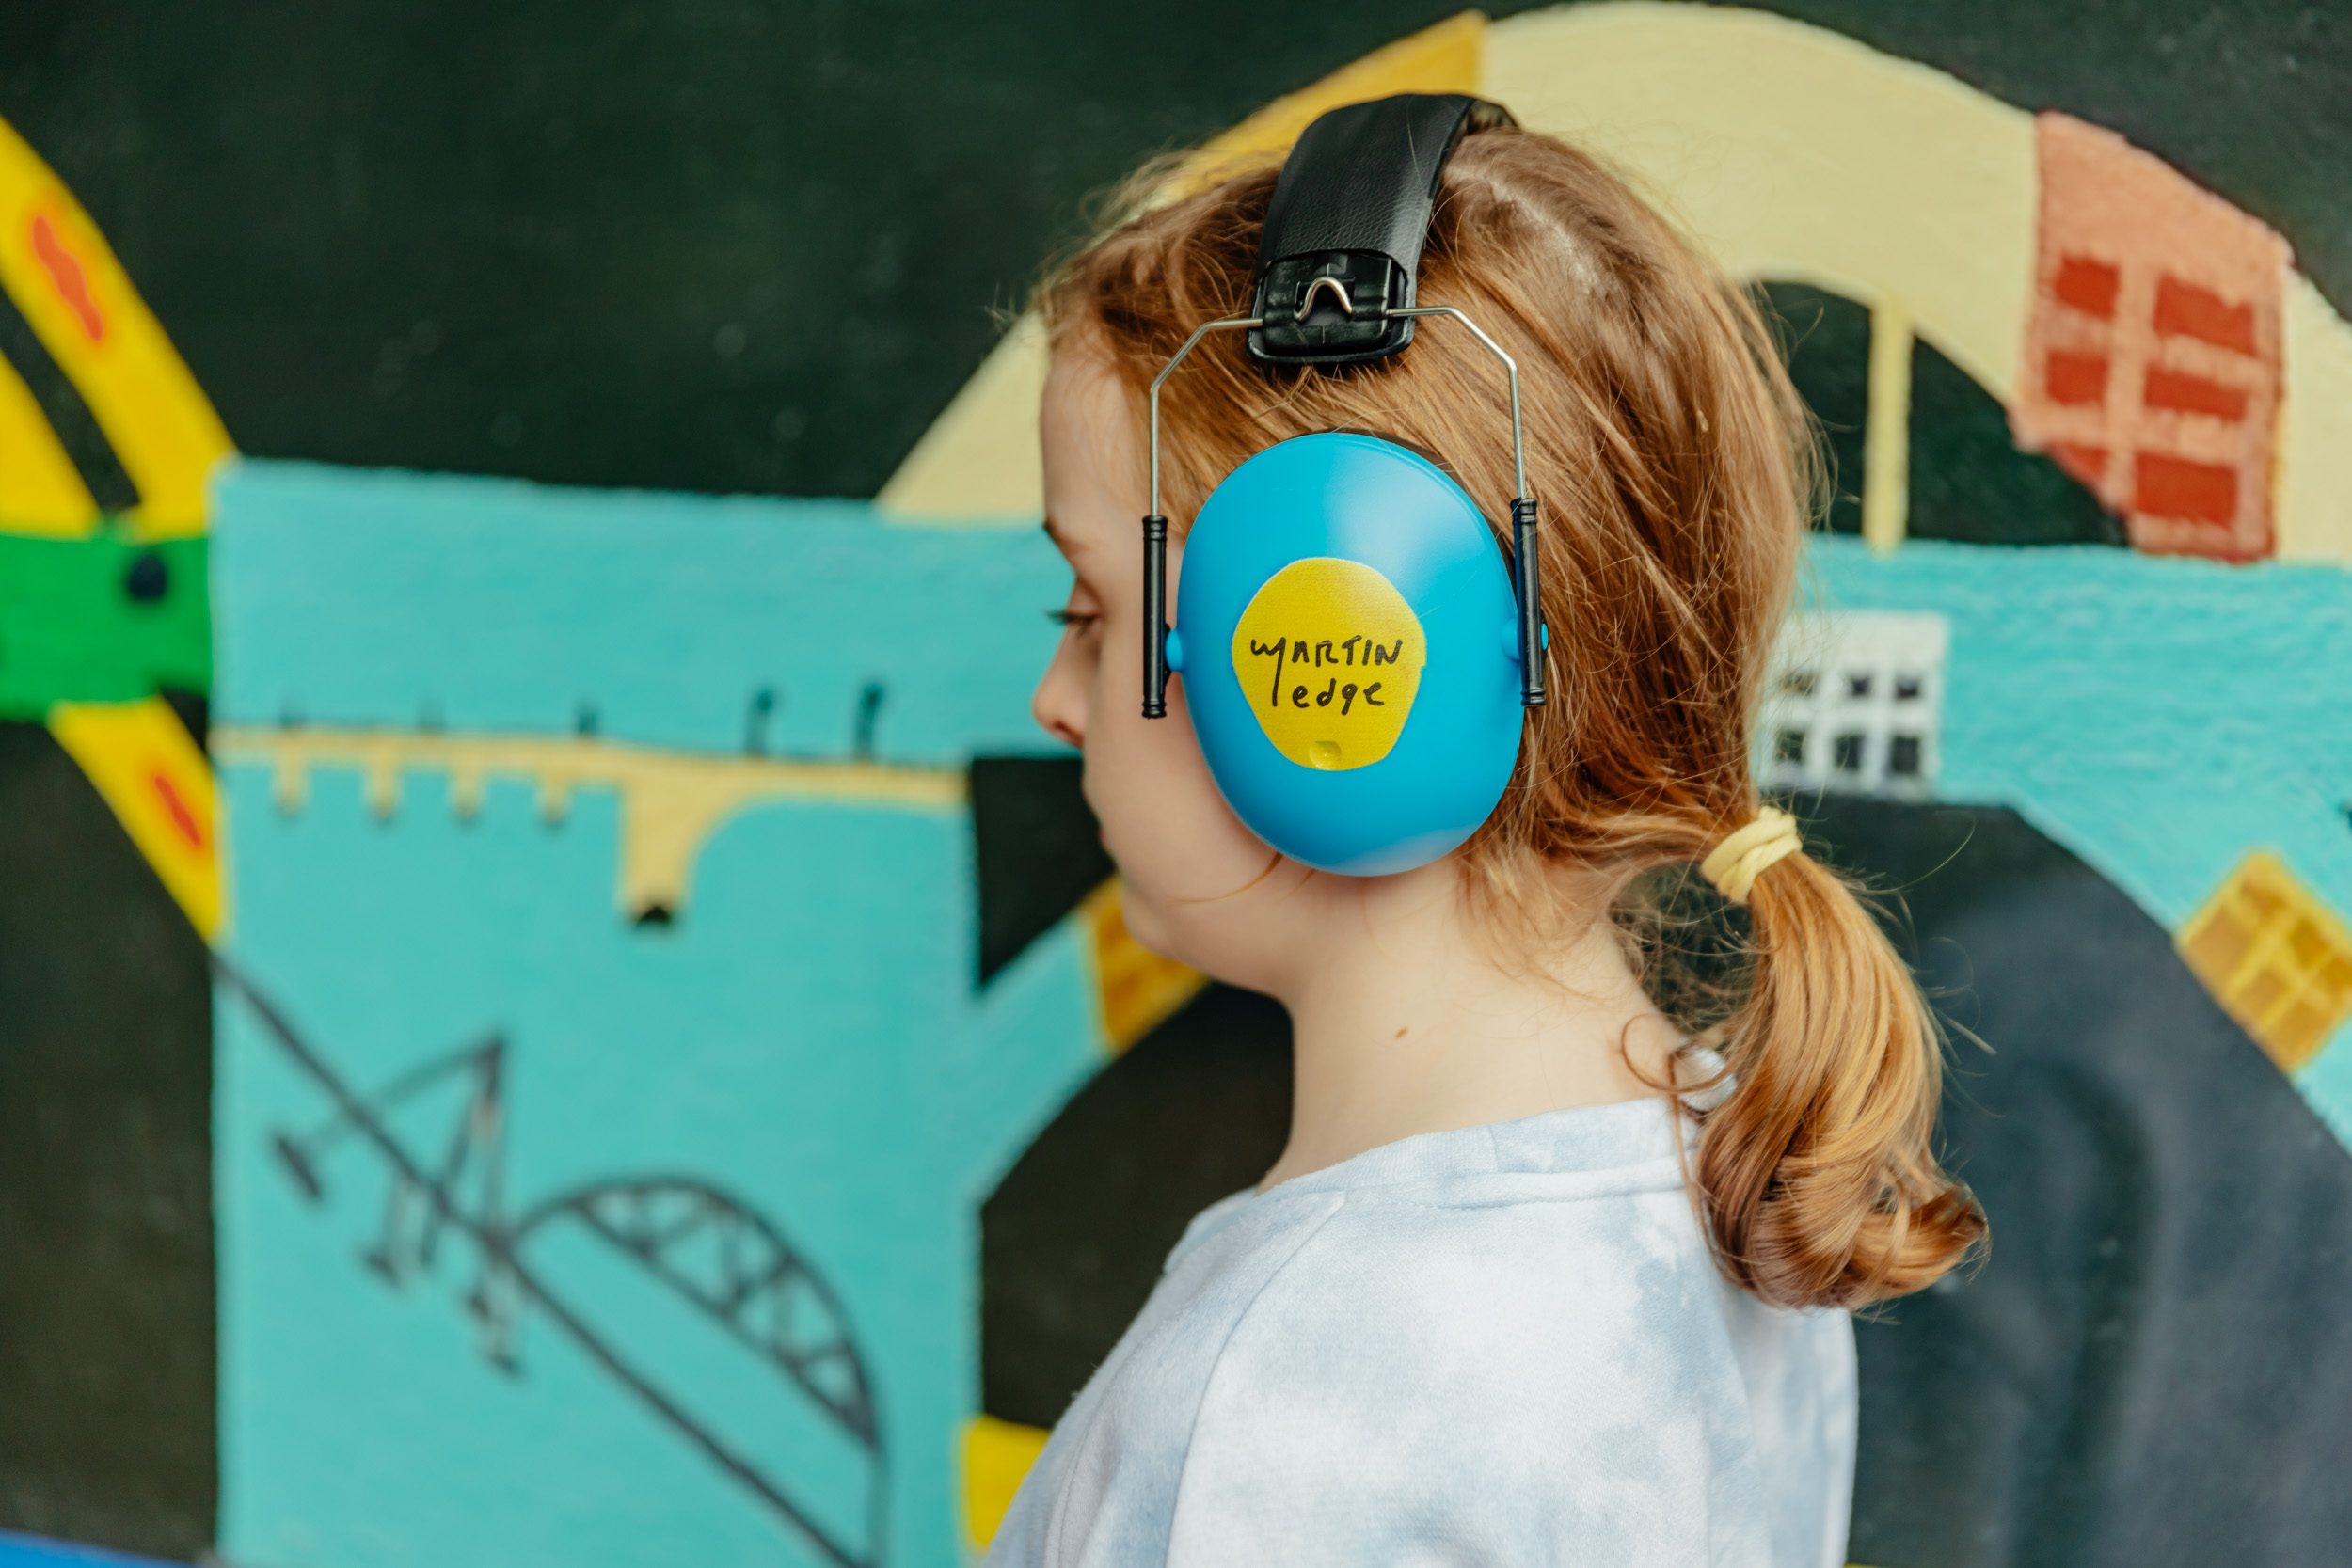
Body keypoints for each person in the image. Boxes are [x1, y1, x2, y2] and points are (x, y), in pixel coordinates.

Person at [999, 118, 1983, 1567]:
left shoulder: (1286, 1419)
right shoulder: (1730, 1179)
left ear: (1327, 662)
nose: (1055, 698)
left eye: (1090, 612)